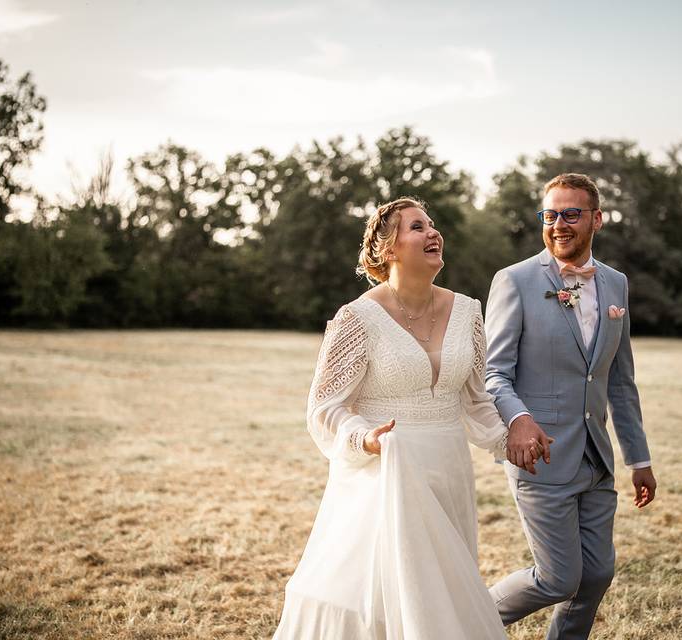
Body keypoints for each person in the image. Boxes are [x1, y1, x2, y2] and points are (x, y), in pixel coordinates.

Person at [273, 197, 547, 640]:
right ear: (389, 248)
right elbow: (324, 407)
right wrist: (365, 439)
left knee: (439, 592)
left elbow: (475, 401)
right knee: (383, 595)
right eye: (418, 226)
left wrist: (508, 440)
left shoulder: (467, 311)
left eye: (433, 225)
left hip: (448, 467)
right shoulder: (356, 318)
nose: (433, 233)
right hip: (386, 470)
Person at [485, 173, 658, 640]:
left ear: (596, 219)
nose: (559, 224)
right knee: (559, 578)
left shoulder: (616, 284)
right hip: (539, 458)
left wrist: (638, 459)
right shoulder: (515, 281)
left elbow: (620, 381)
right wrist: (519, 420)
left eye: (571, 214)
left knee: (597, 575)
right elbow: (493, 372)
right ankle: (465, 618)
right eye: (550, 214)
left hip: (596, 458)